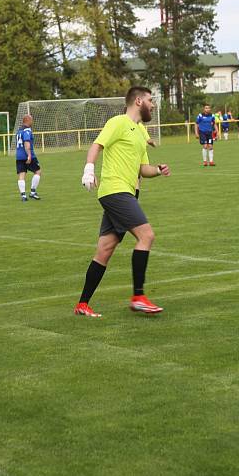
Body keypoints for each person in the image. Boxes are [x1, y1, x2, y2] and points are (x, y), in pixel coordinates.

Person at [75, 86, 171, 317]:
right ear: (138, 101)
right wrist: (89, 169)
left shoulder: (139, 132)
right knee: (146, 236)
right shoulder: (118, 122)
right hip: (115, 191)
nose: (153, 104)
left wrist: (157, 169)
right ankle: (138, 296)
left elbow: (142, 169)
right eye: (150, 100)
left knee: (105, 249)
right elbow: (97, 145)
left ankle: (82, 304)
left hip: (125, 192)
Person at [15, 114, 41, 201]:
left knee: (22, 175)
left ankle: (23, 196)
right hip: (28, 155)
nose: (32, 122)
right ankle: (33, 192)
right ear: (28, 120)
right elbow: (26, 143)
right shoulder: (27, 130)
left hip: (19, 156)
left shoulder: (19, 130)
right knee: (38, 171)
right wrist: (29, 155)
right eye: (31, 120)